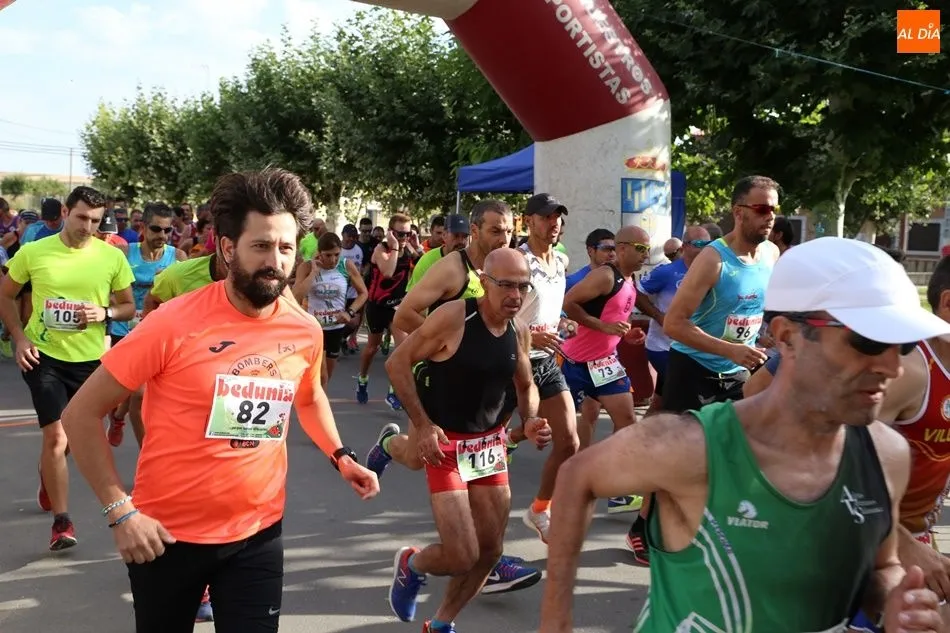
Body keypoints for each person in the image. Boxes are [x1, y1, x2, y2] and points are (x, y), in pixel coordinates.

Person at [540, 237, 950, 633]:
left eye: (903, 345)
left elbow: (882, 566)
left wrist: (896, 603)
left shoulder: (887, 455)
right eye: (867, 341)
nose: (893, 368)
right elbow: (578, 475)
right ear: (787, 337)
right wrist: (556, 623)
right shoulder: (694, 445)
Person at [59, 168, 379, 633]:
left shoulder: (303, 329)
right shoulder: (173, 323)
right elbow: (80, 414)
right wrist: (120, 511)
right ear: (229, 249)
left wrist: (341, 455)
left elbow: (308, 398)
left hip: (257, 533)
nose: (275, 261)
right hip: (166, 536)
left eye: (286, 248)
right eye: (261, 246)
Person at [371, 201, 540, 596]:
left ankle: (489, 557)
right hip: (440, 376)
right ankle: (389, 444)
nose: (504, 237)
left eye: (508, 230)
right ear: (475, 231)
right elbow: (405, 315)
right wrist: (451, 344)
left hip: (485, 383)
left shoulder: (509, 269)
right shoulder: (453, 268)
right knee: (417, 457)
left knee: (475, 476)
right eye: (495, 230)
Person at [385, 248, 552, 633]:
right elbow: (397, 363)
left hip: (488, 447)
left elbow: (526, 384)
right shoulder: (454, 317)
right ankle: (412, 564)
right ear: (484, 282)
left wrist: (530, 420)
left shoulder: (518, 330)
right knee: (461, 555)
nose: (515, 295)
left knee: (490, 552)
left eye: (523, 287)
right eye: (506, 285)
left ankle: (441, 623)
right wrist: (424, 425)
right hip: (446, 445)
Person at [0, 185, 135, 551]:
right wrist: (19, 338)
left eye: (95, 221)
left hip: (89, 360)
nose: (87, 227)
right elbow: (6, 294)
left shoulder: (111, 257)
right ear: (64, 212)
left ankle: (49, 473)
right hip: (43, 355)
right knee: (56, 437)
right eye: (81, 218)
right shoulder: (34, 251)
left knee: (71, 440)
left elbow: (127, 306)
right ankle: (62, 522)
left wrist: (104, 312)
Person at [661, 175, 781, 412]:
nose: (770, 216)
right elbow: (673, 324)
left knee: (738, 434)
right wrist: (730, 350)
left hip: (739, 372)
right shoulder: (713, 259)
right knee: (687, 437)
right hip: (693, 370)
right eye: (762, 209)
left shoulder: (772, 253)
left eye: (774, 209)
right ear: (738, 212)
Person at [560, 225, 649, 518]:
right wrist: (603, 327)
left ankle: (620, 491)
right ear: (622, 249)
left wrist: (626, 334)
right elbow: (569, 303)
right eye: (640, 249)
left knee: (628, 422)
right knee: (566, 431)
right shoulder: (605, 276)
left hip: (606, 363)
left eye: (648, 249)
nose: (646, 255)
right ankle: (512, 438)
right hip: (575, 363)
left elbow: (614, 316)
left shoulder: (629, 280)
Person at [517, 193, 578, 543]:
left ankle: (539, 509)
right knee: (487, 443)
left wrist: (564, 322)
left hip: (547, 363)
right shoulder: (517, 261)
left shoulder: (561, 261)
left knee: (569, 441)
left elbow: (551, 307)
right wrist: (530, 337)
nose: (554, 223)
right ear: (529, 221)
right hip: (513, 361)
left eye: (558, 217)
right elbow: (496, 313)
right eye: (546, 217)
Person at [106, 203, 187, 448]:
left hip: (158, 334)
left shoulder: (178, 258)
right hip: (124, 330)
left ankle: (126, 426)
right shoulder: (123, 253)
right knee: (133, 391)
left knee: (138, 393)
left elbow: (184, 299)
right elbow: (107, 290)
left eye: (167, 230)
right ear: (143, 227)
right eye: (156, 229)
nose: (162, 235)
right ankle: (125, 427)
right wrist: (122, 306)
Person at [635, 225, 711, 412]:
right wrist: (658, 316)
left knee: (660, 402)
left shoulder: (712, 271)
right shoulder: (666, 272)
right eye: (698, 244)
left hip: (691, 348)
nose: (704, 248)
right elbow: (637, 293)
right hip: (663, 347)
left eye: (708, 244)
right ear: (684, 247)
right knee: (683, 399)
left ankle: (643, 431)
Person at [357, 213, 415, 408]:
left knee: (403, 348)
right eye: (400, 234)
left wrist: (415, 247)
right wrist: (396, 247)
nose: (404, 238)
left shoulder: (408, 248)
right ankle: (362, 379)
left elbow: (424, 264)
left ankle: (393, 390)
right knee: (372, 348)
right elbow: (388, 272)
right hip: (377, 306)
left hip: (396, 307)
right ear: (391, 233)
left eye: (408, 233)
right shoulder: (380, 249)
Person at [293, 232, 368, 382]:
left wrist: (349, 312)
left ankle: (319, 397)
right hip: (314, 328)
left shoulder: (346, 265)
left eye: (336, 254)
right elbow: (295, 296)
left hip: (335, 329)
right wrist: (314, 273)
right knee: (320, 374)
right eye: (328, 255)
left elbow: (363, 293)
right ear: (319, 253)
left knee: (326, 377)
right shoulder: (307, 267)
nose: (333, 260)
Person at [405, 213, 471, 294]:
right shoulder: (427, 260)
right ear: (444, 235)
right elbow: (412, 296)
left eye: (465, 236)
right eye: (456, 236)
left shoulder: (474, 260)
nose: (461, 241)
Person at [564, 229, 615, 293]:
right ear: (590, 251)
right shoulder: (573, 282)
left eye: (614, 249)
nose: (612, 254)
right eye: (606, 249)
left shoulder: (620, 280)